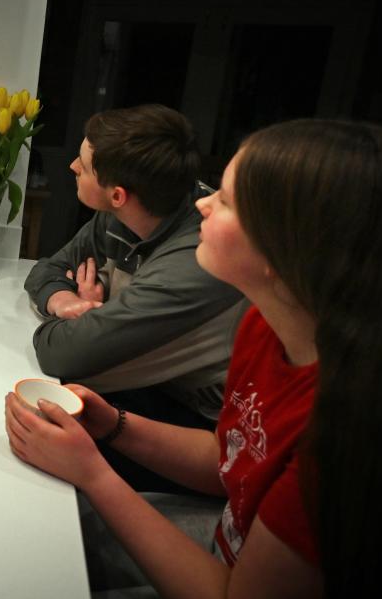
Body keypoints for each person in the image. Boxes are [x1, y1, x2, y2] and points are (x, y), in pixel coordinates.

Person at [5, 119, 382, 599]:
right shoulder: (264, 327)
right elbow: (230, 461)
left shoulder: (349, 432)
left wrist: (94, 473)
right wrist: (114, 425)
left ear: (288, 248)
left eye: (227, 201)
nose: (203, 204)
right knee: (26, 546)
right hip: (227, 537)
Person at [25, 105, 246, 432]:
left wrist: (98, 317)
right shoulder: (121, 216)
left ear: (118, 195)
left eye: (83, 166)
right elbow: (47, 270)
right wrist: (63, 300)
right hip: (143, 385)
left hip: (200, 423)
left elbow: (60, 352)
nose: (72, 166)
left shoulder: (200, 257)